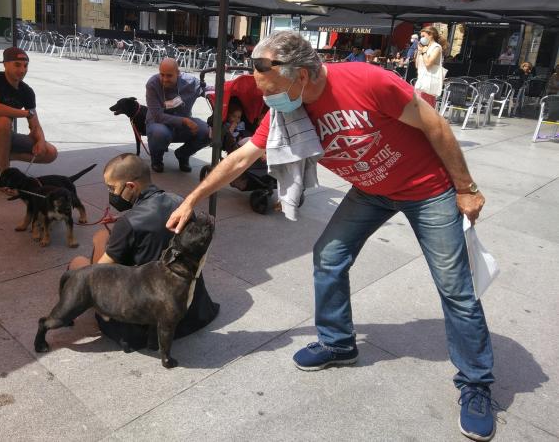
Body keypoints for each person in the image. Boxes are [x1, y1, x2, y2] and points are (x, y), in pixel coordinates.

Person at [166, 32, 496, 442]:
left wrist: (465, 188)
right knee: (328, 256)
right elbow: (242, 158)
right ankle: (339, 343)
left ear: (302, 75)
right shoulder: (289, 108)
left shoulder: (368, 81)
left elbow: (435, 125)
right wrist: (192, 198)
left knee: (454, 287)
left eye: (272, 91)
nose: (268, 101)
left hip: (426, 189)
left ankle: (476, 383)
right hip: (372, 191)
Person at [68, 153, 219, 351]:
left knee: (81, 261)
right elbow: (156, 223)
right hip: (191, 311)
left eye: (112, 188)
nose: (110, 193)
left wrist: (110, 236)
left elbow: (98, 273)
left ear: (130, 186)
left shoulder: (129, 223)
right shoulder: (179, 203)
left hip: (141, 320)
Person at [0, 47, 57, 174]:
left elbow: (35, 125)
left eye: (25, 66)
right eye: (17, 65)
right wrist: (25, 113)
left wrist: (40, 141)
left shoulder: (26, 91)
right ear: (5, 64)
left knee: (50, 152)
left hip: (5, 137)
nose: (22, 70)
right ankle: (4, 176)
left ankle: (1, 157)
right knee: (3, 120)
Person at [145, 58, 210, 173]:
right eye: (162, 74)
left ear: (178, 73)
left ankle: (183, 154)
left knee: (207, 131)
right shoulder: (152, 84)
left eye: (169, 76)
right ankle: (156, 159)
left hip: (182, 125)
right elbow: (158, 116)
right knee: (159, 133)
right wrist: (184, 121)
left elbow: (209, 91)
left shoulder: (190, 82)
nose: (165, 79)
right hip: (159, 123)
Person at [414, 26, 448, 107]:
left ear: (431, 35)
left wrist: (424, 52)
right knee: (418, 108)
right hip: (421, 81)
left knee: (425, 109)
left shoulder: (436, 47)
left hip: (429, 83)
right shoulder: (424, 47)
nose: (421, 38)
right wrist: (419, 51)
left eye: (423, 36)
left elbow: (428, 64)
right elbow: (417, 65)